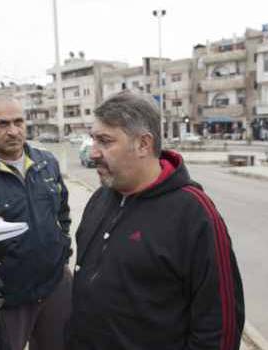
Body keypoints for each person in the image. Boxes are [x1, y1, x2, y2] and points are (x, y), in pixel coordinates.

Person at [68, 91, 244, 350]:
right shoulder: (100, 199)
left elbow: (220, 327)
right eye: (93, 139)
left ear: (143, 144)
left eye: (105, 141)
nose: (93, 153)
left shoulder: (195, 214)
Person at [0, 96, 72, 350]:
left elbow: (62, 212)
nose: (13, 131)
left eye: (19, 122)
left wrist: (62, 248)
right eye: (3, 124)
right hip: (8, 296)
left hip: (54, 285)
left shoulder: (47, 162)